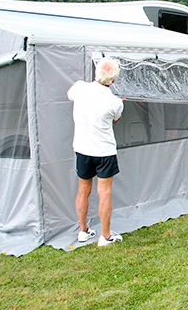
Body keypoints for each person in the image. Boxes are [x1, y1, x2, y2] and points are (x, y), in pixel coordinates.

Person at [67, 57, 125, 247]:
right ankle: (105, 236)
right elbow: (114, 120)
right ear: (113, 80)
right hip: (105, 152)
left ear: (96, 72)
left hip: (82, 149)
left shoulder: (79, 88)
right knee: (105, 193)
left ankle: (82, 231)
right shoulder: (115, 102)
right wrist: (118, 104)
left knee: (83, 191)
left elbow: (70, 95)